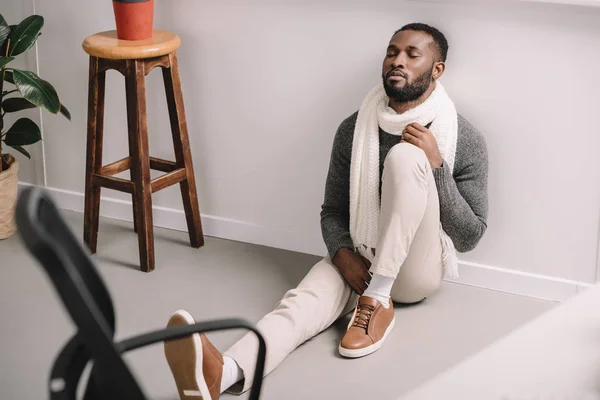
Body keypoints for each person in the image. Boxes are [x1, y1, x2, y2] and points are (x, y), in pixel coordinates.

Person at [163, 22, 489, 400]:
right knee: (299, 304)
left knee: (405, 156)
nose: (397, 61)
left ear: (437, 70)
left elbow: (469, 237)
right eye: (391, 52)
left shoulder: (464, 138)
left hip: (414, 271)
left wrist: (435, 166)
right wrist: (341, 254)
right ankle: (226, 373)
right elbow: (332, 210)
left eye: (412, 55)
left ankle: (378, 298)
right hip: (362, 256)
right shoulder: (355, 128)